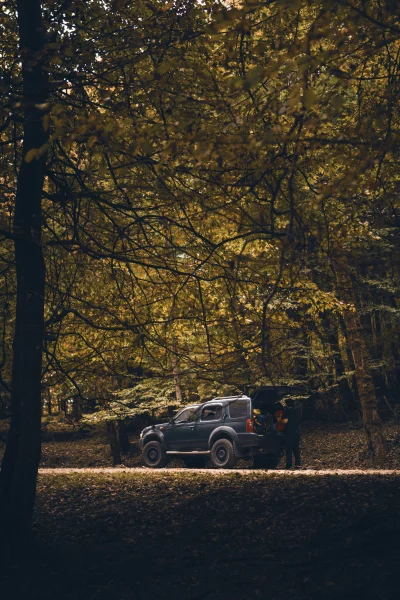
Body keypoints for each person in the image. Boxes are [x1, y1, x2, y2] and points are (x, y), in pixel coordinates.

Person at [281, 398, 302, 469]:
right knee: (296, 448)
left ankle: (289, 465)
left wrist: (280, 419)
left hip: (289, 431)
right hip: (297, 431)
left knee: (289, 448)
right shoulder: (298, 410)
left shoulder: (287, 411)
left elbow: (285, 421)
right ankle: (298, 464)